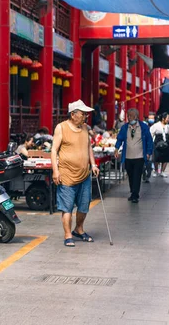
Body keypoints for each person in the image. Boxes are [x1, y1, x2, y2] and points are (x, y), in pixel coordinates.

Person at [51, 100, 100, 247]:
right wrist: (55, 171)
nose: (85, 116)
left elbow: (89, 148)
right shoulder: (61, 128)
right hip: (66, 175)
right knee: (67, 208)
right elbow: (53, 150)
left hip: (84, 174)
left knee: (84, 206)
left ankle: (79, 229)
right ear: (73, 115)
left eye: (86, 114)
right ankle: (67, 235)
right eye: (83, 113)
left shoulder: (85, 128)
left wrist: (93, 164)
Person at [115, 108, 153, 203]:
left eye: (130, 116)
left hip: (139, 157)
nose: (128, 118)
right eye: (128, 116)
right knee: (130, 175)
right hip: (127, 157)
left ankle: (135, 195)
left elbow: (149, 141)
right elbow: (120, 139)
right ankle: (133, 191)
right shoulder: (125, 127)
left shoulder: (144, 127)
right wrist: (116, 148)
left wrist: (148, 153)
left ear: (136, 116)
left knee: (137, 176)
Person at [150, 113, 169, 177]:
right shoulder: (156, 125)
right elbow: (151, 134)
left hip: (166, 143)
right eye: (167, 118)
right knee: (156, 158)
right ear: (163, 118)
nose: (168, 119)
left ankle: (162, 171)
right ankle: (156, 171)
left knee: (165, 158)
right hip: (157, 143)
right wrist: (149, 143)